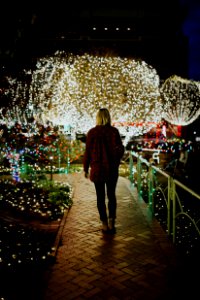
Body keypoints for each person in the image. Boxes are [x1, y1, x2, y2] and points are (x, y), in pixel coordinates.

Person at [83, 108, 124, 234]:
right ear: (108, 117)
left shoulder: (92, 133)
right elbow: (120, 149)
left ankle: (104, 224)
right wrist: (116, 159)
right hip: (111, 169)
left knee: (100, 197)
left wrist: (85, 168)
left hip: (97, 169)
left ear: (98, 117)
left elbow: (88, 152)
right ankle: (112, 222)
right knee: (111, 195)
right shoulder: (113, 132)